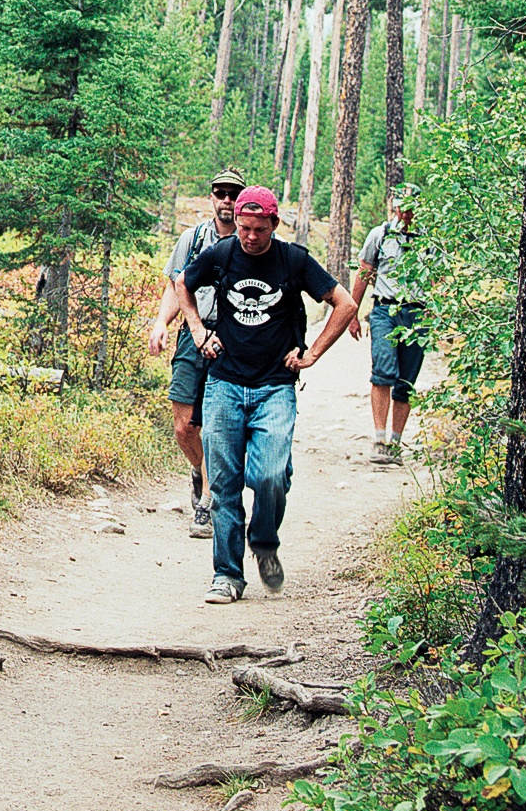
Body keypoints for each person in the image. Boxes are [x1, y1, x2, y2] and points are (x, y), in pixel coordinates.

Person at [176, 186, 357, 603]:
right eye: (243, 228)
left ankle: (264, 540)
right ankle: (227, 576)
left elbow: (343, 302)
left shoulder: (293, 260)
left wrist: (312, 353)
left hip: (275, 386)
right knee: (223, 485)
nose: (250, 237)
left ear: (274, 224)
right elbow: (183, 283)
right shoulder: (222, 254)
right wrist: (198, 330)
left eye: (259, 229)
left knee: (271, 476)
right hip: (223, 382)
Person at [148, 170, 244, 535]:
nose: (226, 200)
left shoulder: (250, 240)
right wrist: (161, 323)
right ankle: (199, 471)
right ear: (211, 197)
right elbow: (176, 284)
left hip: (233, 340)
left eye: (233, 194)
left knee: (220, 426)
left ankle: (208, 502)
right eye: (220, 193)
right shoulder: (193, 239)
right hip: (193, 332)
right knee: (184, 426)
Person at [351, 191, 428, 462]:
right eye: (400, 209)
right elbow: (364, 271)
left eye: (410, 209)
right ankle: (380, 438)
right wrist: (353, 312)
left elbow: (440, 278)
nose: (405, 215)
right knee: (383, 370)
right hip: (384, 309)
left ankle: (395, 443)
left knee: (406, 381)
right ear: (394, 208)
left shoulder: (429, 240)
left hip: (417, 313)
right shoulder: (380, 235)